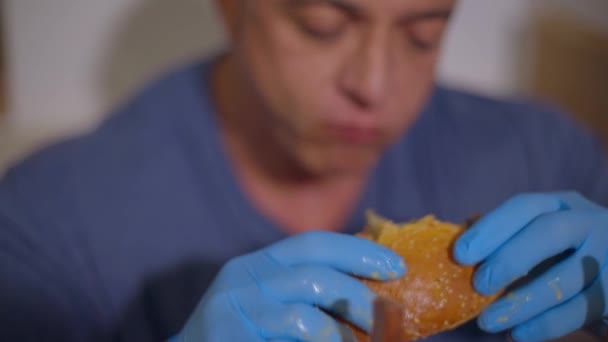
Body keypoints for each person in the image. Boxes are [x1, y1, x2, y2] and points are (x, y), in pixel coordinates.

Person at [1, 0, 607, 341]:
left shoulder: (545, 156)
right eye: (323, 27)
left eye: (422, 36)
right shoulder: (47, 226)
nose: (373, 85)